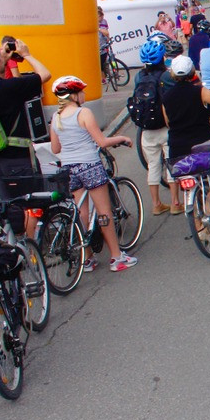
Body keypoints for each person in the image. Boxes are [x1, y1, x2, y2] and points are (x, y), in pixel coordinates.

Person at [48, 75, 138, 273]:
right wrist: (122, 137)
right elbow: (102, 142)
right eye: (81, 91)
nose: (84, 95)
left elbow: (55, 148)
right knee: (103, 211)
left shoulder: (56, 117)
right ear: (74, 95)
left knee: (83, 213)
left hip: (70, 168)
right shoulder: (83, 113)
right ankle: (116, 257)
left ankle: (87, 258)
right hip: (89, 165)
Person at [0, 41, 52, 201]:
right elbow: (45, 74)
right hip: (18, 158)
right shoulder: (10, 87)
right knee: (31, 207)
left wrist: (4, 59)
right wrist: (26, 54)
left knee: (10, 208)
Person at [160, 55, 210, 164]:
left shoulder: (166, 96)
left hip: (177, 149)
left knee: (180, 177)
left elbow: (168, 122)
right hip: (202, 144)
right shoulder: (200, 91)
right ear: (192, 70)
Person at [135, 41, 180, 216]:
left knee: (153, 166)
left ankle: (156, 204)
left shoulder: (139, 77)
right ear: (162, 58)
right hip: (166, 126)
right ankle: (176, 202)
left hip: (147, 129)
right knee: (171, 163)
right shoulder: (166, 77)